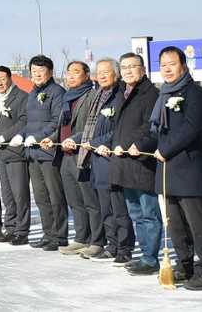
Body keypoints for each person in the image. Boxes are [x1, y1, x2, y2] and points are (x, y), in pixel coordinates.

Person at [152, 46, 202, 291]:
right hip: (167, 170)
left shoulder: (195, 93)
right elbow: (156, 131)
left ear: (183, 65)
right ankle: (185, 264)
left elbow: (191, 129)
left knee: (196, 223)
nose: (167, 69)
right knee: (175, 223)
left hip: (188, 168)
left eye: (172, 64)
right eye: (163, 65)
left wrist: (166, 149)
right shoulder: (162, 95)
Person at [72, 58, 134, 263]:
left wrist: (98, 141)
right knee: (105, 208)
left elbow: (119, 128)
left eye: (106, 71)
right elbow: (89, 128)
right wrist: (78, 140)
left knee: (118, 208)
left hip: (110, 157)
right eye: (99, 72)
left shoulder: (119, 96)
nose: (102, 75)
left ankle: (124, 247)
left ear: (115, 74)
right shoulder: (97, 95)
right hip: (95, 158)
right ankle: (112, 244)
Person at [109, 51, 164, 276]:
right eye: (124, 67)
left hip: (141, 161)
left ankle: (151, 259)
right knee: (135, 213)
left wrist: (135, 144)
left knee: (149, 213)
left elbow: (151, 126)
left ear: (142, 69)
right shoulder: (122, 93)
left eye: (133, 66)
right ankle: (145, 255)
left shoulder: (151, 94)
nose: (128, 71)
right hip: (123, 161)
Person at [42, 61, 100, 255]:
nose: (71, 76)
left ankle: (97, 240)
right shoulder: (68, 97)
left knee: (90, 200)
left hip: (82, 154)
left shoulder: (92, 96)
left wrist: (74, 139)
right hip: (65, 156)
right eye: (69, 73)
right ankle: (81, 238)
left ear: (86, 75)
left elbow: (92, 127)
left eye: (76, 72)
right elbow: (62, 128)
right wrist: (51, 139)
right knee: (74, 201)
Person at [21, 54, 68, 250]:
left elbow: (56, 120)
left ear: (50, 72)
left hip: (48, 152)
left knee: (55, 196)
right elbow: (28, 121)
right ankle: (48, 234)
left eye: (41, 71)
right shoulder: (32, 92)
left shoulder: (57, 92)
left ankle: (60, 236)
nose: (37, 75)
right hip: (32, 153)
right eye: (34, 71)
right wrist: (23, 135)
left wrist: (39, 137)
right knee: (40, 197)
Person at [0, 66, 30, 245]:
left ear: (10, 78)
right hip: (2, 154)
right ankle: (11, 226)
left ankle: (22, 231)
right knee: (7, 194)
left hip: (15, 152)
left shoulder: (21, 96)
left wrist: (5, 136)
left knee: (19, 194)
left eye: (2, 78)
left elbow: (24, 120)